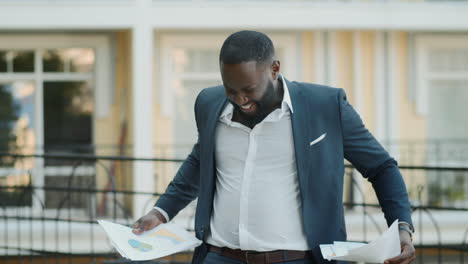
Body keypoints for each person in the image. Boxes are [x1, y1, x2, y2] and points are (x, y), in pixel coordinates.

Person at [132, 30, 416, 264]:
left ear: (275, 69)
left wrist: (401, 228)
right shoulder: (208, 103)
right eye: (231, 89)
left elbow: (381, 167)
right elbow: (200, 161)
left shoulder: (325, 106)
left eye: (249, 89)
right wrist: (161, 212)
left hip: (298, 258)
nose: (240, 99)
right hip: (218, 256)